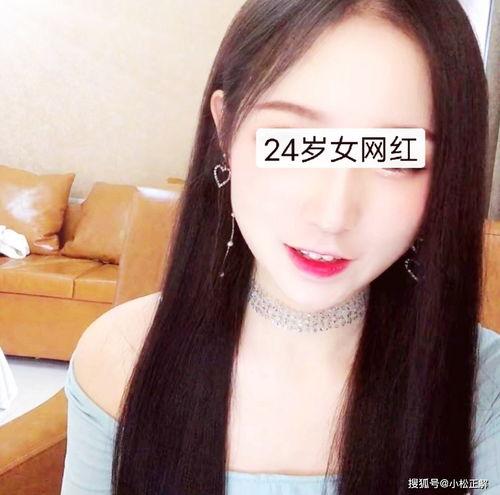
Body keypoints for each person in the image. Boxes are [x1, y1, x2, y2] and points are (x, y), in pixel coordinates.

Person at [61, 0, 500, 494]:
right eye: (295, 144)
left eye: (394, 157)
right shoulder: (119, 358)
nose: (332, 216)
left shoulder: (485, 391)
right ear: (225, 129)